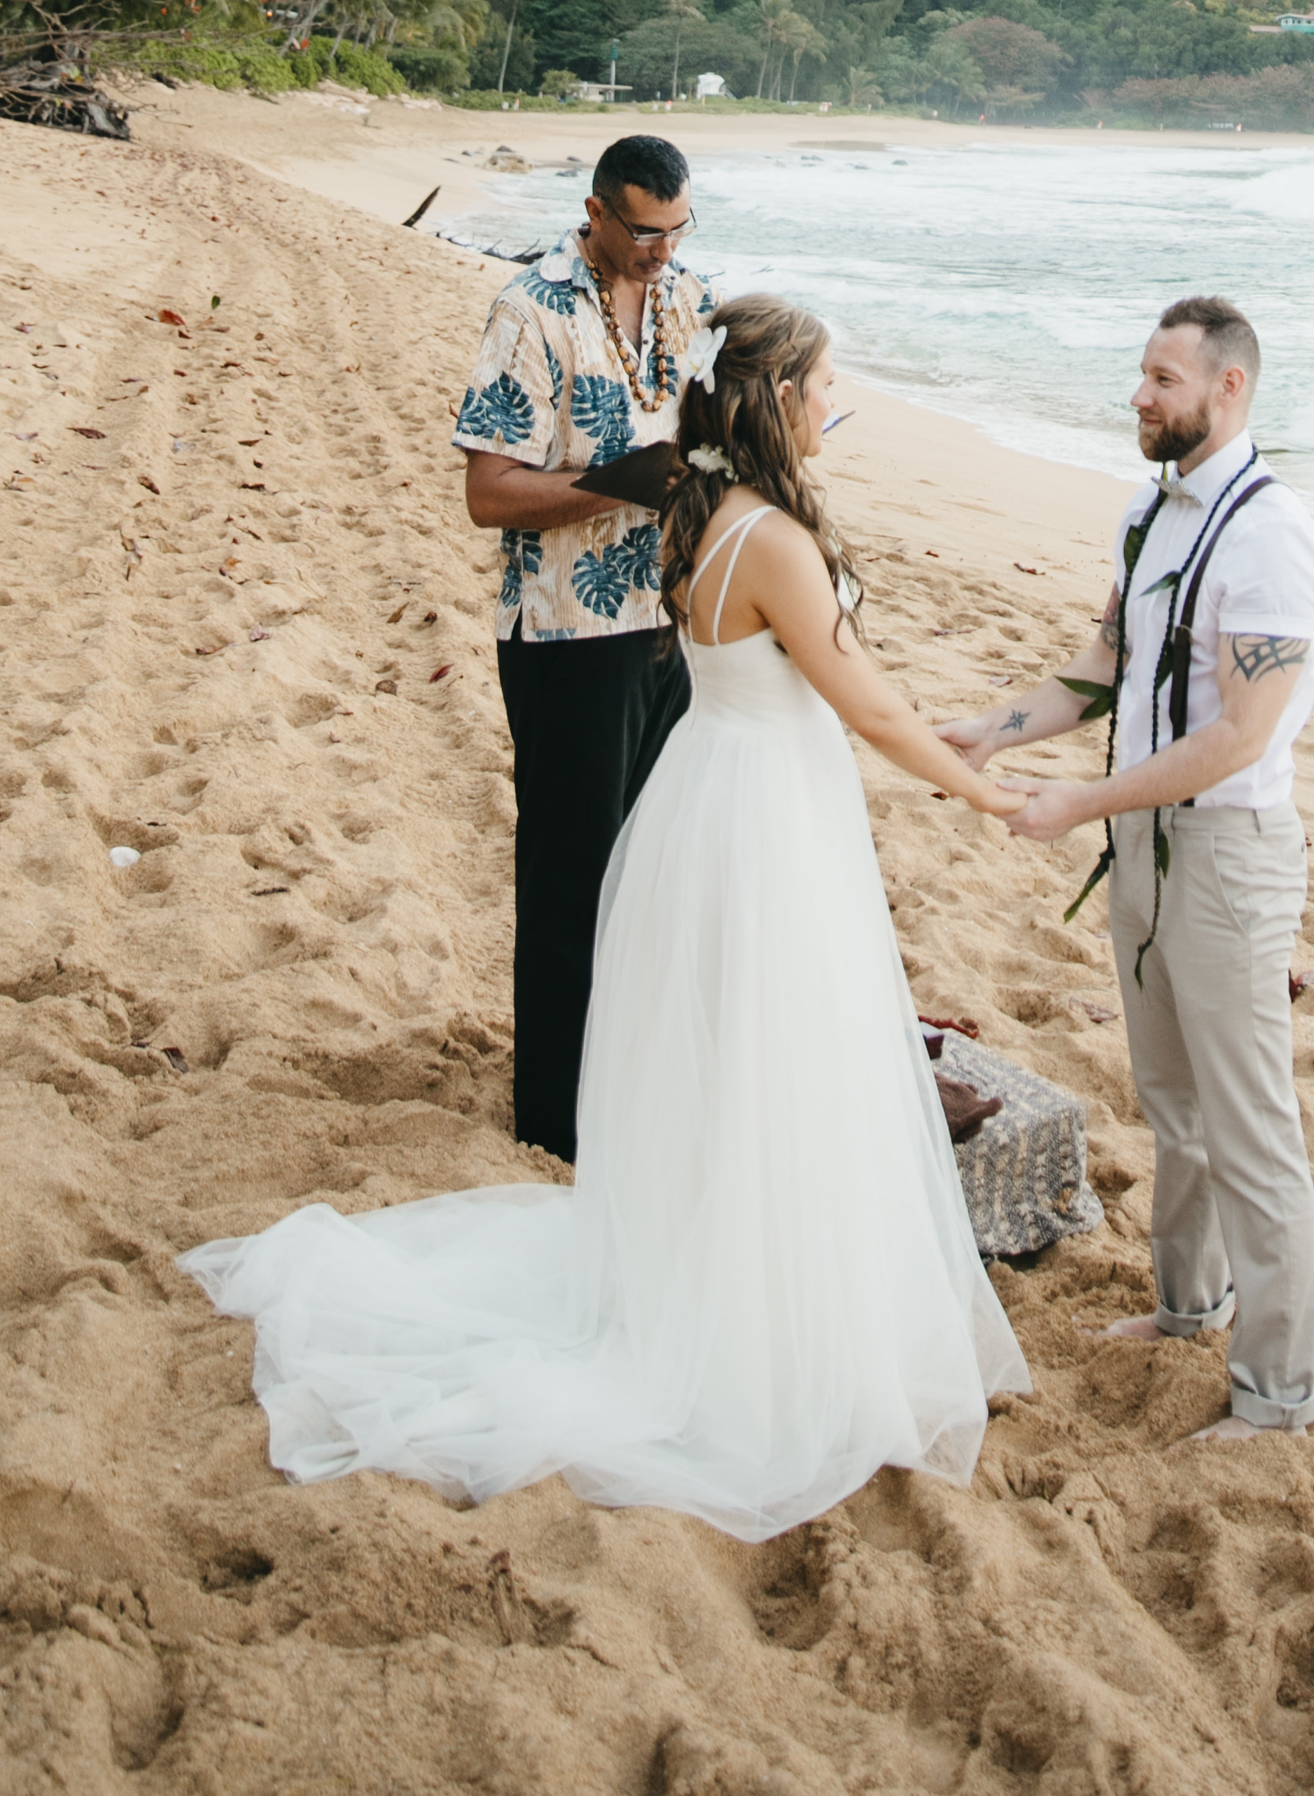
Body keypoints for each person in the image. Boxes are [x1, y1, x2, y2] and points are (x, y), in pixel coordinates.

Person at [181, 294, 1031, 1540]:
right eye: (826, 385)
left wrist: (954, 729)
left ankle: (718, 1271)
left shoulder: (701, 515)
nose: (836, 404)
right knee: (775, 1049)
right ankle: (756, 1313)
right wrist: (987, 791)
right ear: (781, 399)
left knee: (738, 1053)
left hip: (714, 788)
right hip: (761, 816)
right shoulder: (774, 541)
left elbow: (840, 682)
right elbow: (867, 710)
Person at [940, 294, 1314, 1440]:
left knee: (1251, 1129)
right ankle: (1185, 1308)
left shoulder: (1268, 535)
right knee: (1170, 1101)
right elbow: (1102, 670)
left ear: (1228, 389)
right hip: (1142, 847)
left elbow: (1239, 736)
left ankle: (1275, 1398)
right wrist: (994, 730)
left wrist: (1084, 803)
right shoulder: (1145, 514)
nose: (1138, 395)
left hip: (1225, 856)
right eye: (1141, 374)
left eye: (1162, 379)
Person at [452, 132, 711, 1161]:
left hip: (670, 623)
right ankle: (555, 1122)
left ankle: (635, 1079)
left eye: (676, 230)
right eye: (641, 231)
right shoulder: (531, 308)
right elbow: (486, 495)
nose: (658, 250)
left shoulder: (691, 294)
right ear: (597, 212)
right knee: (571, 875)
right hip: (564, 628)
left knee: (658, 865)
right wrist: (614, 485)